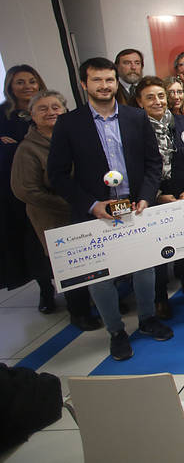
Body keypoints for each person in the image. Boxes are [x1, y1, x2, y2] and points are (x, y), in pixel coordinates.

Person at [48, 57, 170, 361]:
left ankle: (147, 320)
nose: (104, 86)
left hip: (135, 207)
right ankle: (116, 331)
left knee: (145, 269)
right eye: (97, 80)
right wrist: (92, 205)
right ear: (84, 84)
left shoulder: (135, 117)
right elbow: (58, 175)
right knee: (101, 278)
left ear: (117, 82)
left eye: (109, 80)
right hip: (96, 213)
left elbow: (154, 163)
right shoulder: (69, 123)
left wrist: (145, 196)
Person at [10, 90, 102, 329]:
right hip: (54, 216)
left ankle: (101, 302)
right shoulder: (28, 149)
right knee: (71, 267)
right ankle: (79, 312)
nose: (50, 112)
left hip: (87, 210)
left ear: (64, 110)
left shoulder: (76, 137)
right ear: (32, 114)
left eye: (55, 107)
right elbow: (26, 190)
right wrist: (73, 203)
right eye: (43, 108)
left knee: (95, 260)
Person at [134, 76, 184, 318]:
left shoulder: (182, 122)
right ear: (139, 102)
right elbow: (134, 169)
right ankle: (160, 298)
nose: (157, 101)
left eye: (161, 96)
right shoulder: (134, 128)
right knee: (157, 252)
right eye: (150, 97)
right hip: (153, 200)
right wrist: (157, 196)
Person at [1, 65, 45, 297]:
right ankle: (45, 290)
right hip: (18, 189)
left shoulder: (48, 107)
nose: (27, 86)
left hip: (50, 185)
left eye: (31, 80)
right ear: (10, 86)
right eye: (20, 82)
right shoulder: (2, 113)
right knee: (30, 241)